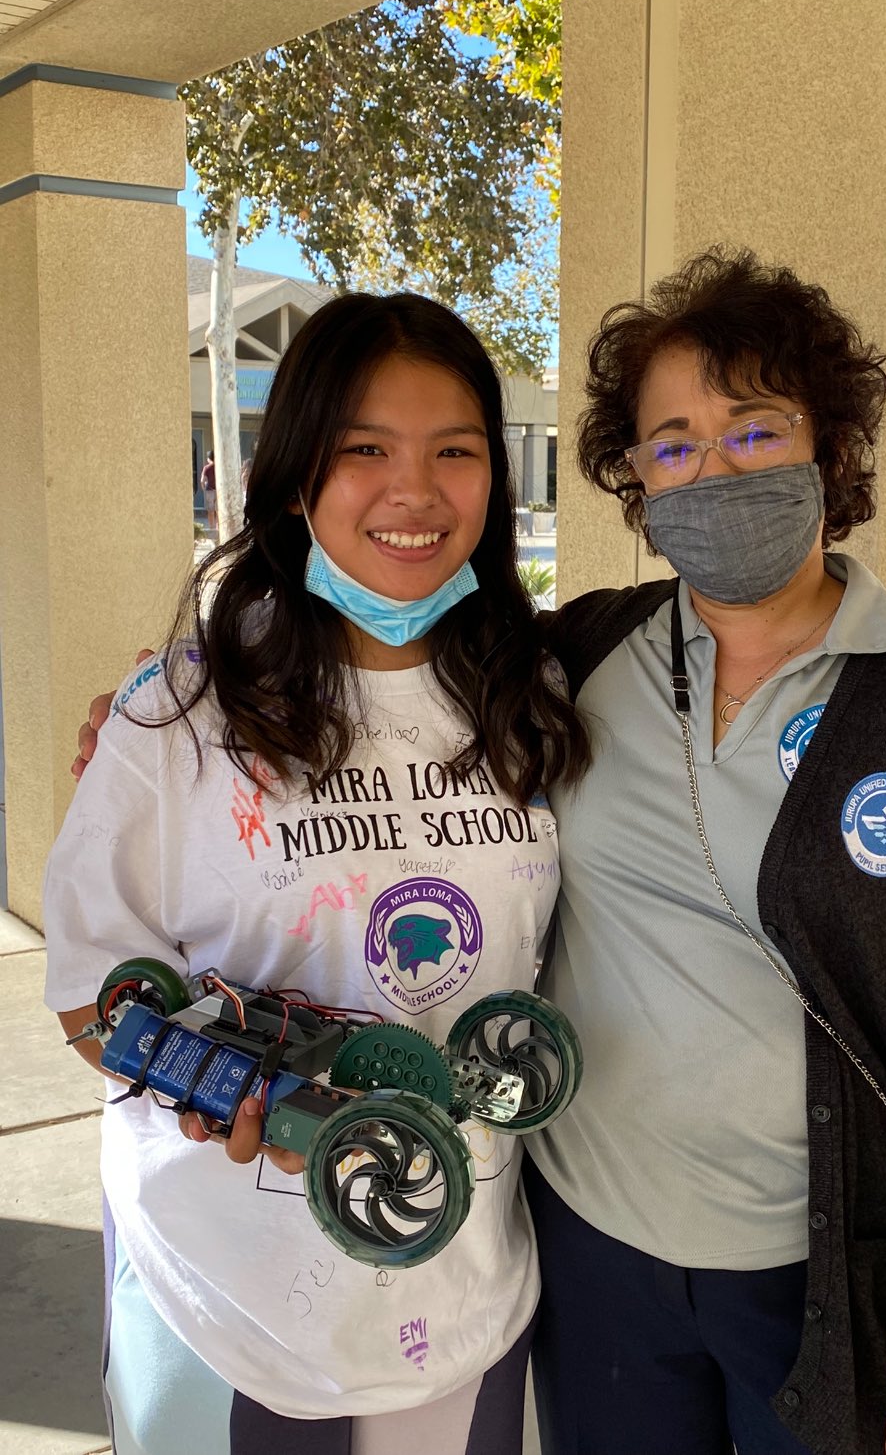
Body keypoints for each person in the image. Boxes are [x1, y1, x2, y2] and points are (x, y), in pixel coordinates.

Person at [73, 250, 886, 1455]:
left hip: (816, 1275)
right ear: (636, 477)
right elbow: (370, 683)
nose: (715, 469)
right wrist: (157, 721)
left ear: (833, 448)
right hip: (588, 1255)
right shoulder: (577, 660)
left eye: (757, 431)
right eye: (674, 444)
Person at [46, 292, 588, 1455]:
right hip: (225, 1300)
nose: (415, 491)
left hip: (460, 1279)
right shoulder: (179, 715)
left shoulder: (535, 701)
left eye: (456, 452)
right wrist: (222, 1088)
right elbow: (93, 998)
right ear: (296, 478)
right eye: (365, 450)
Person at [199, 448, 217, 532]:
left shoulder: (206, 468)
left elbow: (202, 480)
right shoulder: (218, 467)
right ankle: (218, 526)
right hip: (218, 490)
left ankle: (211, 527)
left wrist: (204, 489)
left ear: (209, 458)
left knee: (210, 510)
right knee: (218, 510)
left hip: (209, 490)